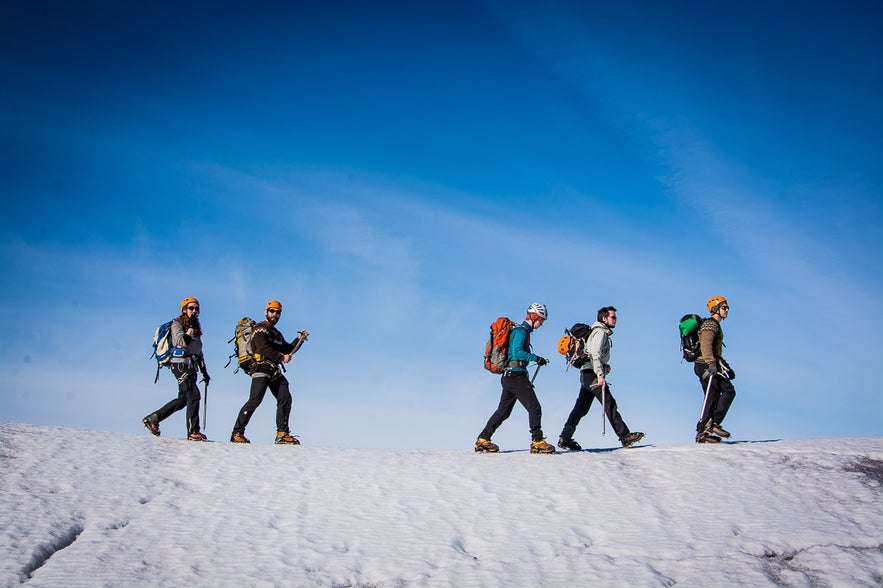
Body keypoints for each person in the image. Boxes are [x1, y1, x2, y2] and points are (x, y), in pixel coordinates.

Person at [557, 306, 644, 451]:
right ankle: (625, 436)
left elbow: (593, 355)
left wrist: (604, 366)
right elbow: (595, 354)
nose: (615, 320)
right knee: (609, 403)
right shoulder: (600, 333)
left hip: (586, 374)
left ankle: (564, 438)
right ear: (604, 319)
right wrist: (600, 375)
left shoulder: (595, 332)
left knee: (581, 409)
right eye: (613, 317)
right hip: (592, 374)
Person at [475, 303, 555, 454]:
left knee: (503, 411)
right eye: (541, 320)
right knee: (534, 407)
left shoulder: (520, 331)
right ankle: (537, 441)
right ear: (534, 317)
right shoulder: (521, 331)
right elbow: (517, 352)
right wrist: (535, 358)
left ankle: (483, 439)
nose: (541, 324)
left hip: (509, 376)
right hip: (516, 376)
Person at [231, 300, 308, 444]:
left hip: (272, 370)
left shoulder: (276, 333)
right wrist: (281, 358)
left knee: (285, 396)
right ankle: (237, 433)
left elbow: (286, 349)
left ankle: (282, 433)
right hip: (260, 367)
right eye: (272, 311)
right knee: (255, 399)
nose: (275, 314)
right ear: (266, 312)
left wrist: (300, 339)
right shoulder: (260, 328)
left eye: (278, 312)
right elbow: (262, 348)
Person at [142, 297, 210, 441]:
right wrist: (190, 327)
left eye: (197, 309)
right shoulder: (177, 324)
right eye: (191, 308)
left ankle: (153, 419)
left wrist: (205, 372)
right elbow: (183, 342)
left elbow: (198, 350)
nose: (194, 311)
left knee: (184, 399)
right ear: (184, 309)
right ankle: (193, 432)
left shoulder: (196, 328)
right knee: (194, 394)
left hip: (191, 366)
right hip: (179, 363)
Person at [694, 296, 737, 443]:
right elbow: (706, 346)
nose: (727, 310)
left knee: (712, 396)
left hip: (709, 365)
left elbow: (716, 352)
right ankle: (710, 425)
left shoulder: (714, 325)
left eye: (727, 308)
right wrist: (711, 363)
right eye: (724, 307)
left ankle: (704, 430)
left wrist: (727, 368)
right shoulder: (710, 325)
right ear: (715, 309)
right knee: (725, 391)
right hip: (705, 365)